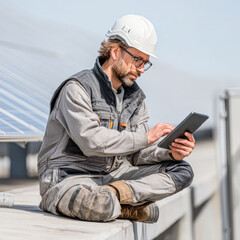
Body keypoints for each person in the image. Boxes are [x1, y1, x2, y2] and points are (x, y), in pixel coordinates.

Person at [38, 14, 194, 223]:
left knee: (181, 170)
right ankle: (118, 204)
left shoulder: (135, 99)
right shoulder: (77, 89)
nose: (140, 69)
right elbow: (91, 142)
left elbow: (136, 155)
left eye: (145, 63)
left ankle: (117, 196)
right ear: (115, 51)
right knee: (99, 206)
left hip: (112, 178)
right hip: (68, 178)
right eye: (137, 59)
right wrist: (147, 138)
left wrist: (171, 152)